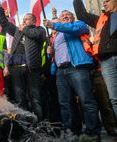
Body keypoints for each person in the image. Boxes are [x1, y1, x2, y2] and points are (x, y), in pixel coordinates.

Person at [43, 10, 101, 138]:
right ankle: (70, 132)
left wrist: (54, 24)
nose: (64, 16)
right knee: (65, 104)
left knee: (86, 100)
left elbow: (73, 29)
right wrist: (50, 53)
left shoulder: (79, 24)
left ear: (72, 17)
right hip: (60, 72)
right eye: (62, 16)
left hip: (77, 68)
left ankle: (93, 133)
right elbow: (56, 53)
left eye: (67, 14)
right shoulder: (57, 35)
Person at [0, 0, 45, 121]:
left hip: (31, 69)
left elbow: (35, 35)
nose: (23, 21)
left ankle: (39, 125)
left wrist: (25, 28)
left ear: (33, 21)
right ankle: (25, 124)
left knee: (36, 99)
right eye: (23, 20)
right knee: (20, 99)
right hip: (16, 69)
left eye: (27, 19)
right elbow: (5, 24)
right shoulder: (18, 31)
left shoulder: (39, 30)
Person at [71, 0, 117, 120]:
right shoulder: (101, 20)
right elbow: (83, 16)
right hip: (107, 62)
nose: (104, 4)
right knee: (114, 99)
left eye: (107, 1)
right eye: (103, 2)